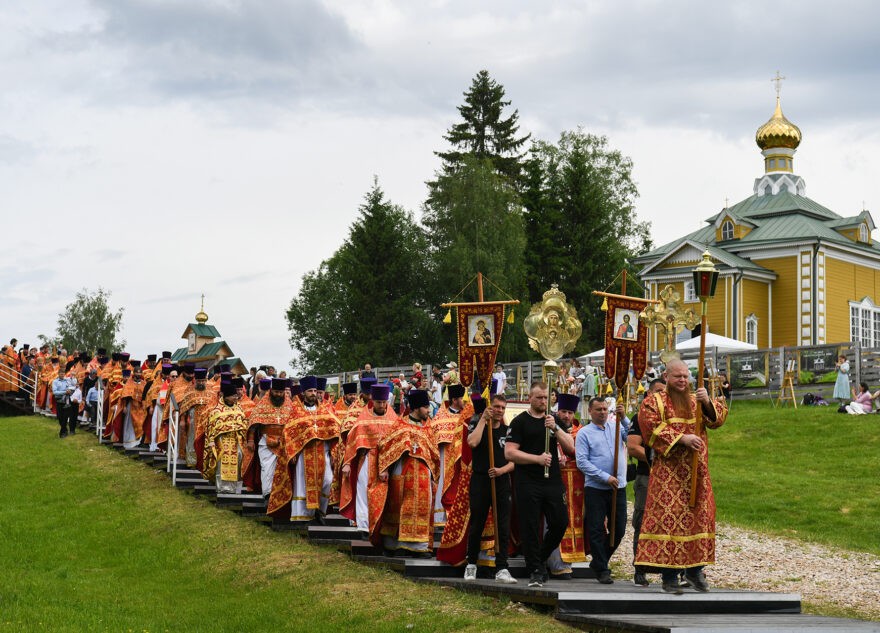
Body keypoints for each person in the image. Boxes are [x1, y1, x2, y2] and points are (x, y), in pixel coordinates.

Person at [634, 359, 728, 594]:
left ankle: (696, 571)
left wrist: (707, 402)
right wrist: (682, 438)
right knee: (671, 522)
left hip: (698, 472)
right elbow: (649, 428)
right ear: (666, 376)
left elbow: (717, 420)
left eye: (686, 376)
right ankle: (669, 577)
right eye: (678, 377)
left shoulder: (696, 399)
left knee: (700, 517)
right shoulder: (654, 401)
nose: (683, 381)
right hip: (669, 475)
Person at [504, 381, 575, 588]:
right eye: (539, 398)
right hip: (528, 481)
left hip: (552, 481)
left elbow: (571, 447)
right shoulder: (519, 422)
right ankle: (535, 569)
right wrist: (537, 459)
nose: (543, 401)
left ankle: (540, 558)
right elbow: (509, 452)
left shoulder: (553, 420)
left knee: (560, 522)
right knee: (531, 526)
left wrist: (555, 429)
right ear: (530, 398)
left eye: (546, 398)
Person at [461, 394, 517, 584]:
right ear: (489, 407)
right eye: (496, 407)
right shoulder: (478, 425)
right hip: (480, 480)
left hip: (501, 481)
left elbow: (514, 461)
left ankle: (502, 567)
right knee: (477, 522)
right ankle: (471, 564)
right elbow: (472, 443)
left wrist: (502, 470)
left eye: (503, 407)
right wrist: (483, 420)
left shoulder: (508, 431)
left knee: (503, 525)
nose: (499, 410)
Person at [575, 396, 630, 584]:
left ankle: (600, 561)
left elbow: (633, 436)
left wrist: (623, 418)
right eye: (598, 409)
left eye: (605, 409)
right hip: (597, 487)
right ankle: (602, 568)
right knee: (597, 528)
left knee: (619, 528)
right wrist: (605, 476)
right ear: (590, 411)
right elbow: (582, 462)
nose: (603, 412)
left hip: (618, 486)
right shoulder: (584, 433)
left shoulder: (616, 427)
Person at [339, 384, 398, 535]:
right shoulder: (363, 418)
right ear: (373, 401)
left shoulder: (393, 419)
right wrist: (346, 463)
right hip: (367, 459)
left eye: (384, 402)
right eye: (379, 402)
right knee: (363, 491)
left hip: (387, 462)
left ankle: (382, 525)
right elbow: (351, 442)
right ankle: (364, 526)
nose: (382, 405)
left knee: (387, 493)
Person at [282, 376, 340, 523]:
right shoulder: (296, 410)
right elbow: (288, 432)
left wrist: (334, 452)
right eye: (310, 391)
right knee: (302, 485)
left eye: (315, 390)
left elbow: (335, 430)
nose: (313, 393)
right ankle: (303, 515)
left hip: (323, 452)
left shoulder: (325, 410)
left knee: (327, 481)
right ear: (303, 392)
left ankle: (320, 512)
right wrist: (292, 452)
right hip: (304, 454)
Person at [627, 378, 666, 587]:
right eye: (658, 391)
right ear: (649, 394)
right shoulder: (639, 417)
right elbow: (633, 447)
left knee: (669, 523)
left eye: (664, 392)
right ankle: (640, 569)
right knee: (642, 522)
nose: (662, 395)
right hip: (648, 476)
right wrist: (657, 459)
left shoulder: (671, 417)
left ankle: (671, 571)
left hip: (670, 479)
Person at [242, 378, 294, 500]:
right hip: (266, 442)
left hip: (284, 443)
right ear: (271, 391)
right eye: (276, 392)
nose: (278, 395)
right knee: (267, 470)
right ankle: (267, 496)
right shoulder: (263, 404)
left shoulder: (289, 405)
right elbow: (253, 423)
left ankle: (280, 497)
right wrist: (250, 440)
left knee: (282, 471)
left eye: (281, 392)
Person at [430, 383, 469, 526]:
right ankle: (442, 520)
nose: (465, 402)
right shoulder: (440, 417)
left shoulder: (467, 416)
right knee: (444, 486)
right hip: (445, 459)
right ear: (454, 400)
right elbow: (434, 436)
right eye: (462, 399)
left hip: (463, 461)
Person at [203, 381, 249, 494]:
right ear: (226, 397)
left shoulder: (239, 409)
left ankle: (236, 491)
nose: (235, 398)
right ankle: (222, 490)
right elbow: (211, 429)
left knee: (238, 464)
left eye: (236, 396)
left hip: (236, 442)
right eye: (233, 396)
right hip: (222, 442)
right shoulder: (216, 411)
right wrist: (213, 442)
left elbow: (244, 425)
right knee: (221, 465)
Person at [52, 364, 77, 438]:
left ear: (65, 374)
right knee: (60, 417)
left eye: (63, 373)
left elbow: (73, 385)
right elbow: (55, 392)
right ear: (58, 374)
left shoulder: (67, 380)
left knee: (65, 417)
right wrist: (64, 392)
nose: (62, 375)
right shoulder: (55, 382)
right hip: (59, 400)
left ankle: (62, 433)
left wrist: (73, 378)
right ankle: (65, 429)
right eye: (61, 373)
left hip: (67, 400)